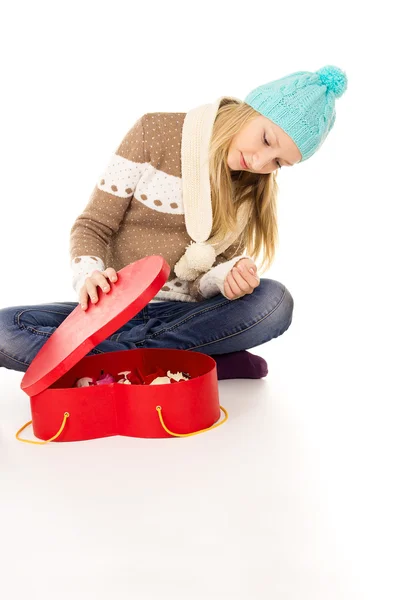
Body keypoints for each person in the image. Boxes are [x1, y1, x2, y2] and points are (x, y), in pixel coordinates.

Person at [0, 65, 347, 380]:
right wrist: (89, 274)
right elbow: (94, 225)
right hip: (112, 309)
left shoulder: (250, 191)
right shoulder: (156, 131)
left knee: (274, 302)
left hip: (185, 319)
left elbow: (201, 286)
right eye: (267, 140)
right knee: (4, 329)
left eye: (279, 162)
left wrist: (230, 277)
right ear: (249, 110)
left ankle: (118, 361)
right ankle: (194, 362)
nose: (260, 162)